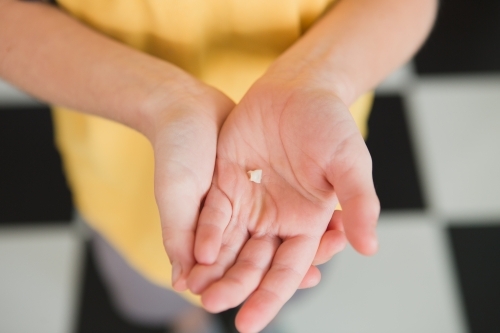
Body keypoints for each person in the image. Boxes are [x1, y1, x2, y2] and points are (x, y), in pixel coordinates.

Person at [0, 0, 437, 332]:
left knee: (287, 283)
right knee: (152, 292)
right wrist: (160, 99)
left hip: (305, 174)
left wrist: (318, 78)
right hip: (122, 176)